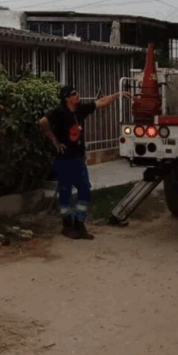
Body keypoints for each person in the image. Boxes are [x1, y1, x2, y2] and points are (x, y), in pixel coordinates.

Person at [38, 86, 131, 240]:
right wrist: (55, 142)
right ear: (67, 98)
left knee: (84, 190)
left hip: (78, 158)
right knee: (65, 192)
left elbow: (101, 102)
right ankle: (67, 225)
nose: (77, 95)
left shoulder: (81, 109)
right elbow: (43, 122)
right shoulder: (59, 112)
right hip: (63, 159)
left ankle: (79, 224)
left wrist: (117, 94)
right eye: (74, 94)